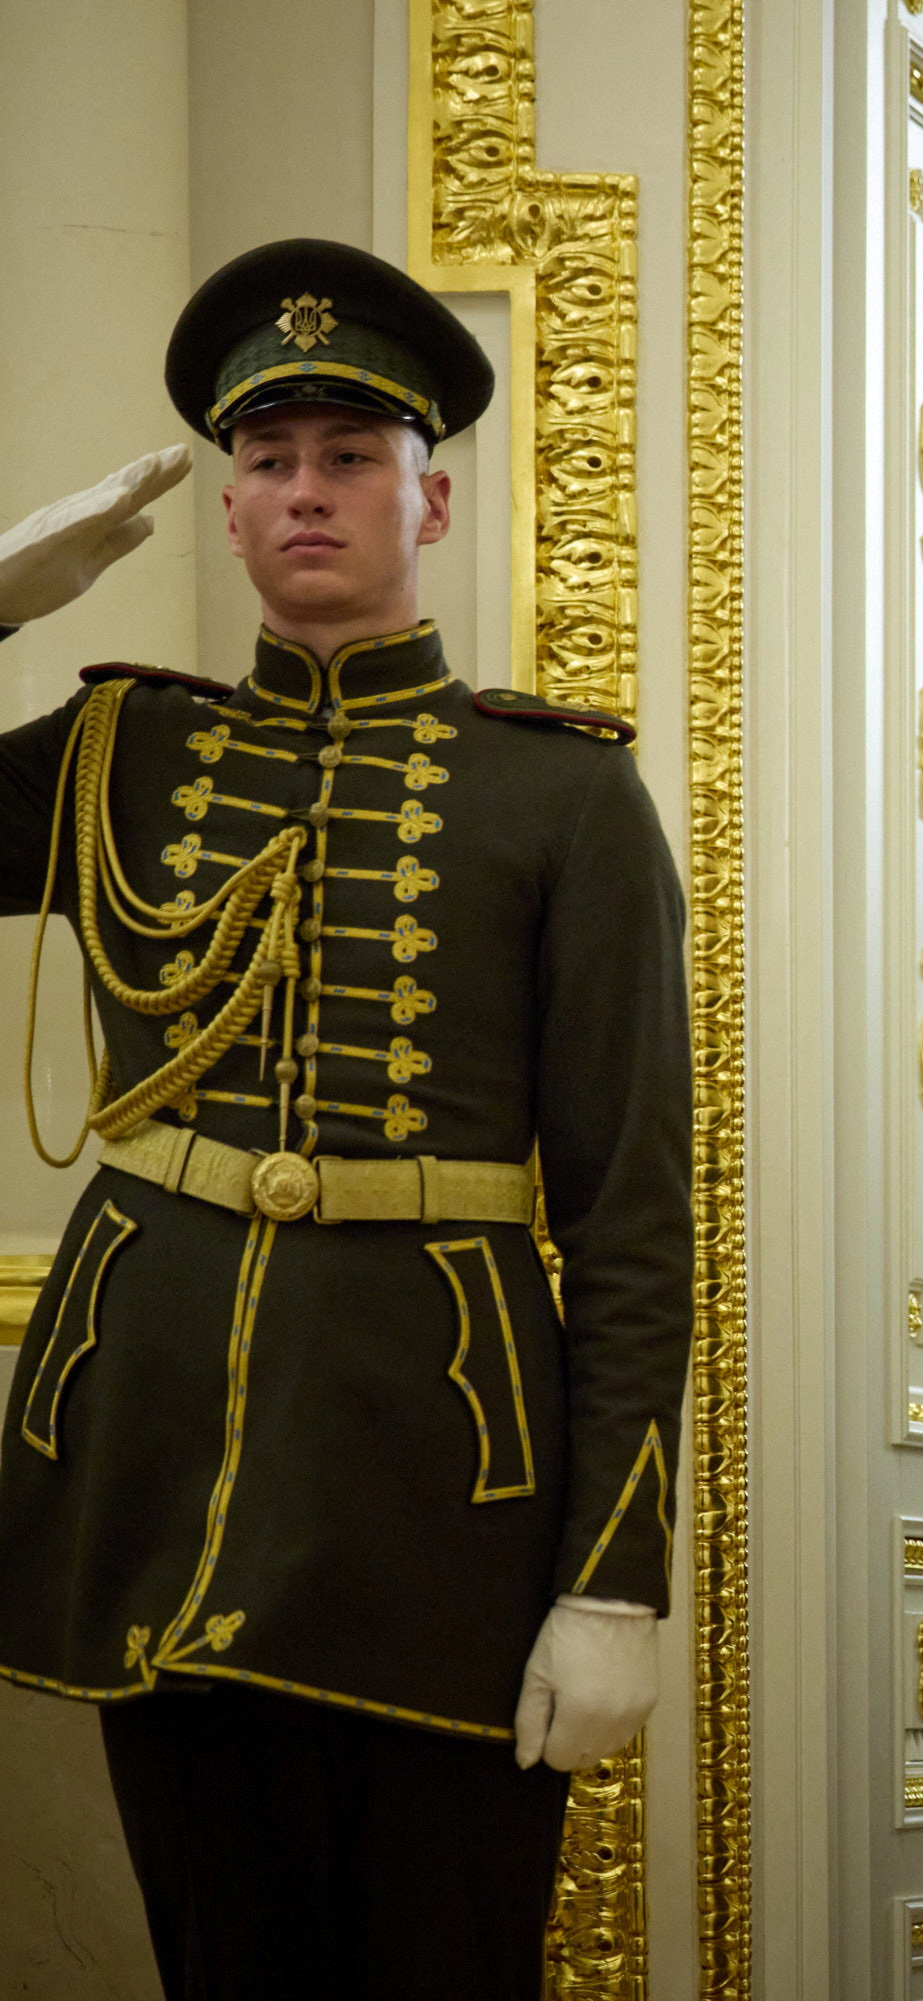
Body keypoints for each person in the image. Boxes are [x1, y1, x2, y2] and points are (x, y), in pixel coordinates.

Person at [0, 238, 692, 1997]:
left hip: (442, 1493)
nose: (306, 491)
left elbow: (628, 1215)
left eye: (350, 458)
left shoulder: (569, 791)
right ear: (225, 507)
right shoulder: (119, 757)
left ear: (430, 500)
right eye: (268, 460)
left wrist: (617, 1577)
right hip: (155, 1467)